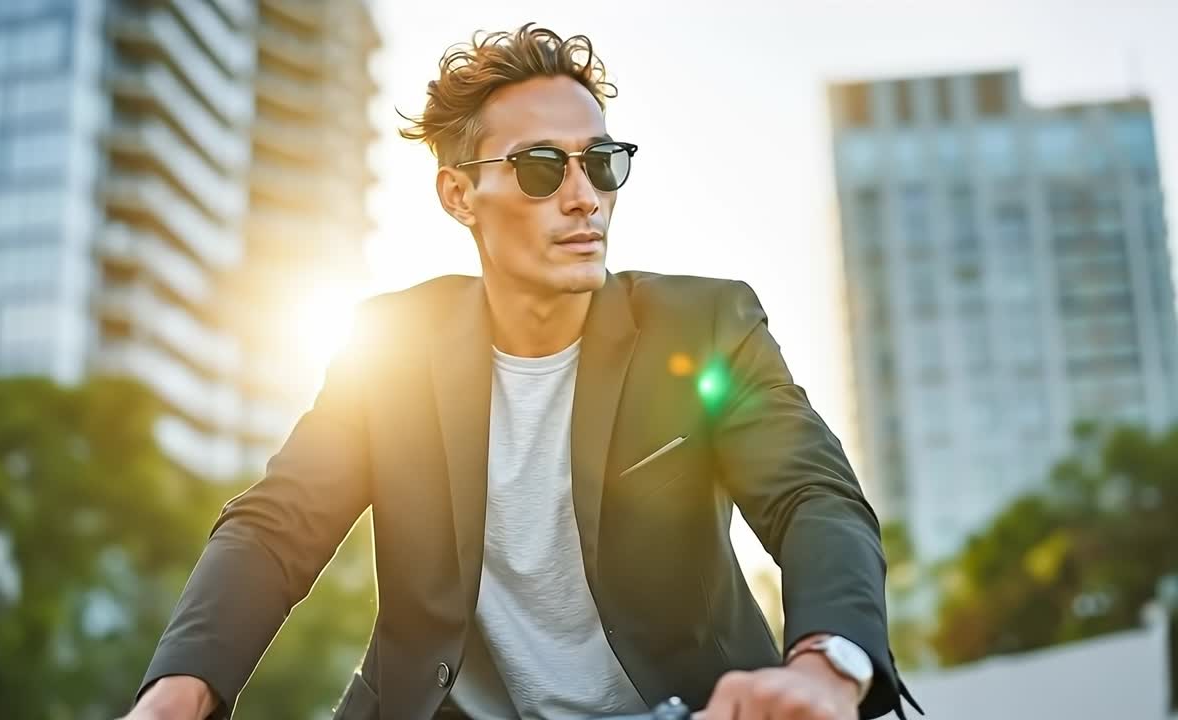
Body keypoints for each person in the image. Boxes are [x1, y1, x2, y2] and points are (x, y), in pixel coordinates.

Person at [124, 23, 920, 720]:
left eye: (602, 163)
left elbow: (812, 496)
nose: (584, 198)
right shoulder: (388, 349)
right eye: (542, 167)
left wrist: (824, 664)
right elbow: (276, 529)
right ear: (459, 194)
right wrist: (179, 689)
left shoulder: (706, 328)